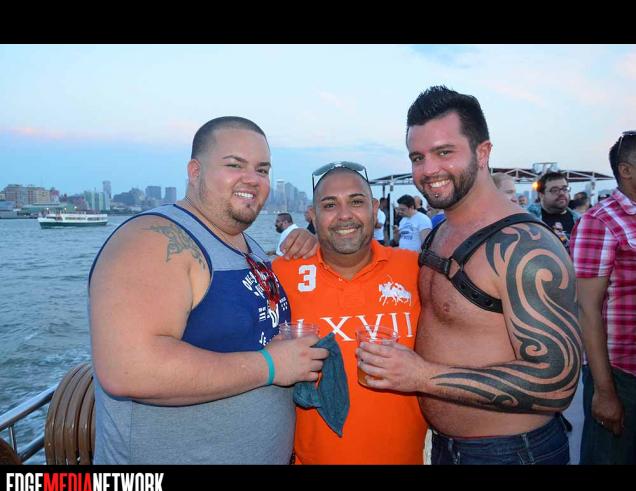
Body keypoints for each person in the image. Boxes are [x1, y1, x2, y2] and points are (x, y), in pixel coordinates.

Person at [356, 85, 582, 465]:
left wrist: (421, 377)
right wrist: (310, 244)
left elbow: (557, 382)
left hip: (512, 453)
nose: (428, 170)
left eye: (444, 152)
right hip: (447, 448)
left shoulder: (525, 248)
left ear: (482, 152)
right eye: (418, 157)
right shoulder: (441, 232)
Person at [89, 116, 327, 464]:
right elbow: (129, 369)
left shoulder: (248, 246)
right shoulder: (153, 239)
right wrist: (271, 365)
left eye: (262, 169)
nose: (252, 179)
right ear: (195, 171)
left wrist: (311, 246)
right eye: (235, 165)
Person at [272, 162, 427, 464]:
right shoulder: (282, 274)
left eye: (356, 202)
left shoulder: (415, 269)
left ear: (375, 209)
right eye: (330, 205)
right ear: (313, 216)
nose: (344, 215)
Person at [570, 130, 636, 464]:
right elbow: (587, 310)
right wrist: (604, 390)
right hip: (621, 375)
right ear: (626, 170)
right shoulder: (600, 222)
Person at [527, 171, 580, 248]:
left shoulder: (579, 221)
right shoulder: (529, 219)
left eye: (565, 189)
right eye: (554, 190)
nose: (562, 193)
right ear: (541, 195)